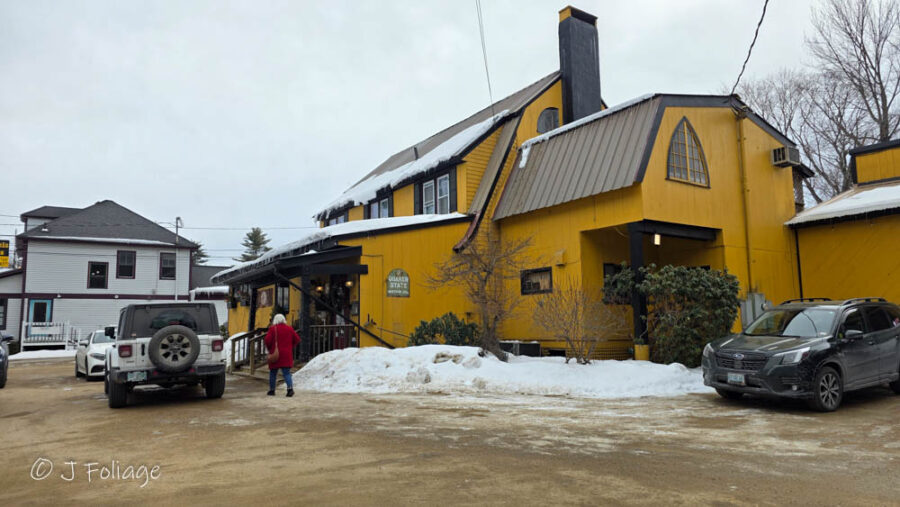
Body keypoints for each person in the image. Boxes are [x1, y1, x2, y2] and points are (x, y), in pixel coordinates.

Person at [264, 314, 300, 397]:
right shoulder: (289, 329)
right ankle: (290, 389)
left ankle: (272, 390)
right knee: (287, 373)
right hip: (286, 354)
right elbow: (297, 339)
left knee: (273, 372)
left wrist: (270, 349)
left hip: (275, 354)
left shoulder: (273, 329)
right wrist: (290, 346)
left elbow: (267, 341)